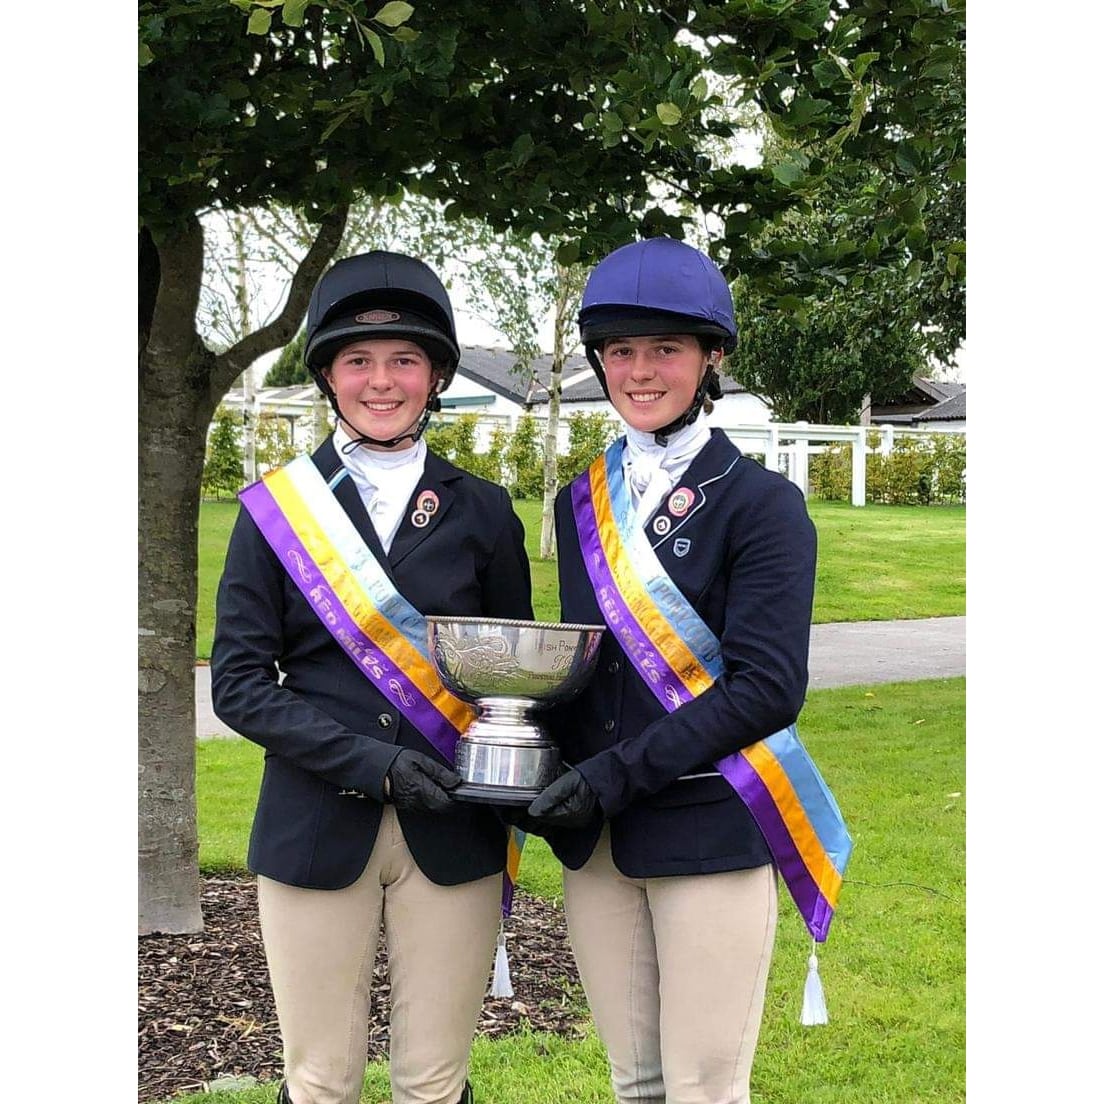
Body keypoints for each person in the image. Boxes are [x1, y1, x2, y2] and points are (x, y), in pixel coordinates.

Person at [210, 250, 533, 1104]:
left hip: (454, 830)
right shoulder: (276, 510)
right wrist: (374, 764)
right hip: (315, 823)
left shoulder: (485, 511)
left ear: (435, 377)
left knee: (434, 1080)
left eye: (404, 360)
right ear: (328, 376)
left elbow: (513, 679)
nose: (380, 381)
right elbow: (239, 683)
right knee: (320, 1080)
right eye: (357, 360)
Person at [524, 237, 823, 1104]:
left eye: (666, 349)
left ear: (711, 357)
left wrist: (612, 776)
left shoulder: (764, 504)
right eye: (621, 350)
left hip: (709, 826)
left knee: (703, 1088)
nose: (640, 370)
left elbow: (767, 688)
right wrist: (526, 752)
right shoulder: (578, 500)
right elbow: (593, 665)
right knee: (635, 1082)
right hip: (601, 844)